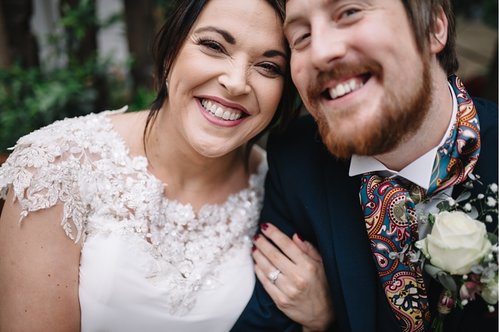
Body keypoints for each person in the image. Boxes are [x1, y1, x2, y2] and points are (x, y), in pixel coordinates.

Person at [0, 0, 329, 330]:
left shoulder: (278, 188)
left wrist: (321, 320)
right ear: (172, 49)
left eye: (269, 67)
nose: (236, 82)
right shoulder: (54, 167)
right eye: (214, 46)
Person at [233, 0, 499, 331]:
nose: (319, 52)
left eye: (349, 13)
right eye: (301, 36)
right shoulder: (296, 160)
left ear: (433, 26)